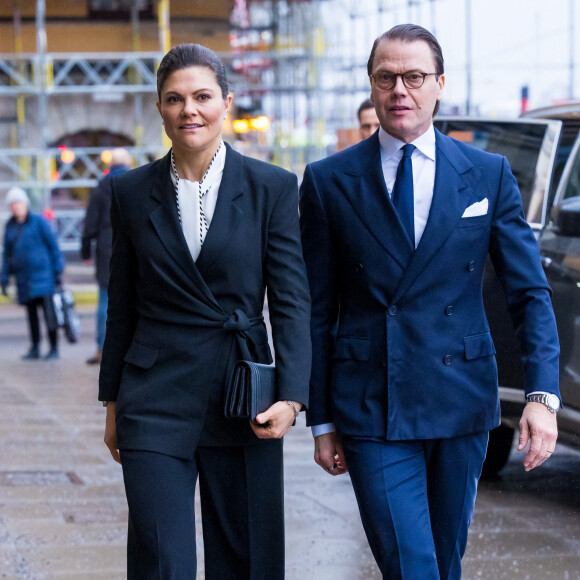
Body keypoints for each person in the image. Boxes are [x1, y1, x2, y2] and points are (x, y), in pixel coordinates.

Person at [299, 24, 560, 580]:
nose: (401, 90)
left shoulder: (488, 173)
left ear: (439, 85)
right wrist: (321, 421)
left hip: (460, 396)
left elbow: (529, 292)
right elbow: (317, 311)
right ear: (371, 87)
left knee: (445, 561)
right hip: (371, 402)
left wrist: (542, 395)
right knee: (412, 565)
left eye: (414, 77)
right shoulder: (327, 181)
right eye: (387, 77)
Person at [98, 43, 311, 579]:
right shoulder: (127, 191)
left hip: (242, 393)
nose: (188, 110)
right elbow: (121, 305)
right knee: (160, 558)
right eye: (174, 99)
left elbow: (289, 300)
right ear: (160, 108)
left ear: (227, 102)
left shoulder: (274, 188)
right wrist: (112, 403)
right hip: (154, 395)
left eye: (201, 96)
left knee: (246, 558)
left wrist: (293, 396)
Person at [81, 147, 132, 365]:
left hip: (106, 246)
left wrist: (85, 250)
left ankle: (102, 348)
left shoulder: (101, 187)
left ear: (110, 164)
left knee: (104, 298)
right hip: (132, 243)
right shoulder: (135, 182)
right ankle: (130, 347)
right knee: (134, 297)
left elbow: (90, 223)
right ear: (128, 163)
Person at [1, 186, 64, 360]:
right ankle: (35, 348)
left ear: (25, 204)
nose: (16, 207)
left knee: (49, 316)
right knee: (31, 316)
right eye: (12, 204)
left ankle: (53, 348)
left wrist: (58, 270)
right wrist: (4, 278)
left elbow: (53, 246)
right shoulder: (10, 227)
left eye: (18, 203)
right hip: (24, 279)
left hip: (44, 277)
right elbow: (7, 254)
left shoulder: (39, 221)